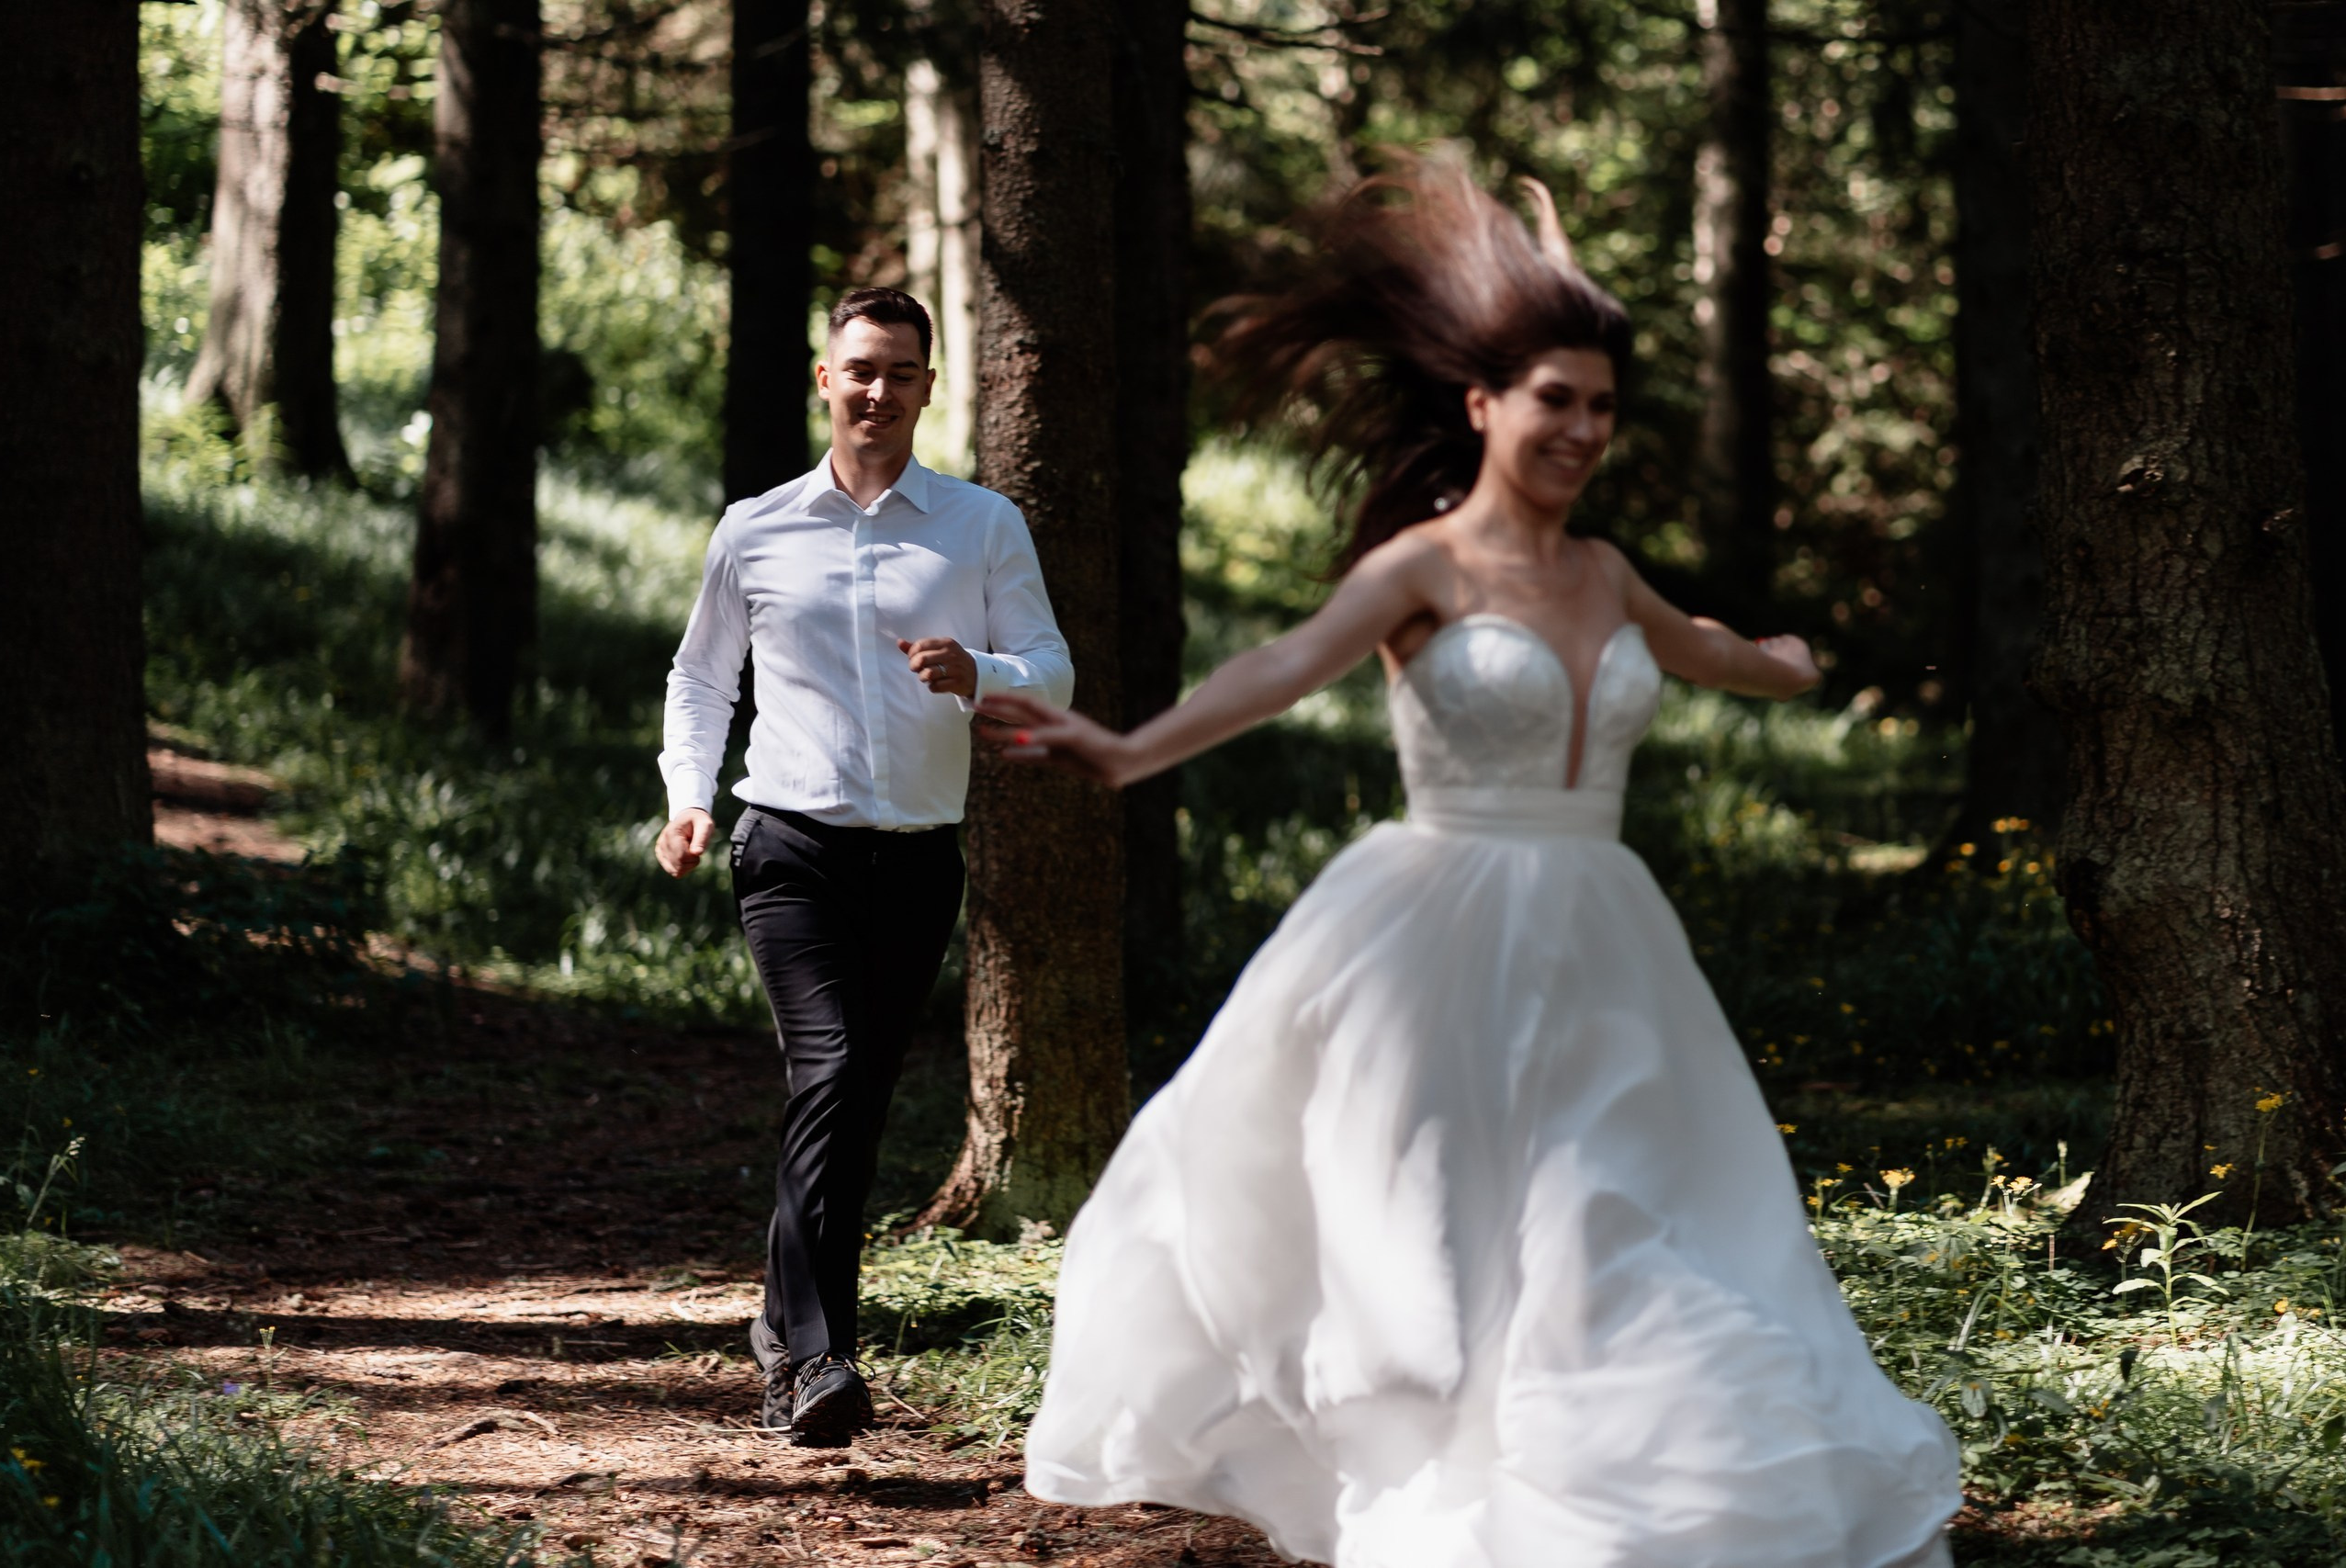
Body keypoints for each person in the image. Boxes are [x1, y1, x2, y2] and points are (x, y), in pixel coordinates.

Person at [977, 161, 1962, 1566]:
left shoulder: (1608, 571)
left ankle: (1613, 1492)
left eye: (1604, 406)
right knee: (1442, 1246)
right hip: (1436, 937)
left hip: (1606, 938)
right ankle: (1443, 1490)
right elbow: (1282, 661)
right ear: (1485, 403)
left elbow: (1715, 650)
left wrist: (1794, 668)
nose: (1582, 426)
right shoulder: (1422, 568)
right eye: (1556, 397)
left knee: (1619, 1216)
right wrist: (1131, 751)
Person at [655, 286, 1073, 1446]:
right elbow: (701, 679)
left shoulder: (981, 526)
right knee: (832, 1075)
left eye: (899, 372)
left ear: (929, 389)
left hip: (917, 857)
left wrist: (980, 673)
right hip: (786, 845)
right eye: (859, 369)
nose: (877, 391)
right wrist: (688, 800)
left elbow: (1055, 672)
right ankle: (822, 1358)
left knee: (848, 1105)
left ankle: (785, 1344)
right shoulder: (755, 527)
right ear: (823, 380)